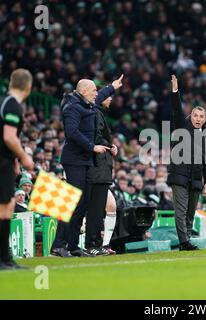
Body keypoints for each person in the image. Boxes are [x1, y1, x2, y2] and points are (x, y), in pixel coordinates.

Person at [0, 68, 34, 270]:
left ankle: (5, 258)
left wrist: (14, 159)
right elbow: (9, 137)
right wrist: (24, 156)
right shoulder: (13, 106)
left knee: (8, 207)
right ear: (28, 87)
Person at [51, 79, 110, 257]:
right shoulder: (72, 108)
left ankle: (73, 245)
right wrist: (92, 147)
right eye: (93, 90)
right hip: (74, 160)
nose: (96, 93)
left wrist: (112, 87)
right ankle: (58, 245)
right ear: (84, 91)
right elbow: (72, 132)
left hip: (84, 161)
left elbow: (100, 97)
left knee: (82, 203)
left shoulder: (86, 104)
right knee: (72, 202)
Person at [168, 75, 206, 251]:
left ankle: (186, 240)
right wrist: (175, 92)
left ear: (205, 119)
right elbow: (176, 110)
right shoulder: (181, 126)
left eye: (201, 116)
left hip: (195, 178)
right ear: (190, 116)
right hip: (179, 176)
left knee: (190, 212)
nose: (198, 118)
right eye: (195, 115)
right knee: (181, 210)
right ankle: (184, 241)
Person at [85, 75, 123, 256]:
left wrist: (111, 147)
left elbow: (99, 138)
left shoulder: (97, 113)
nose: (111, 99)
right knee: (94, 209)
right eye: (108, 96)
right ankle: (92, 244)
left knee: (102, 207)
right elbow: (94, 138)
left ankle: (100, 244)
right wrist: (112, 86)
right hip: (96, 168)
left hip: (102, 167)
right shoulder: (92, 111)